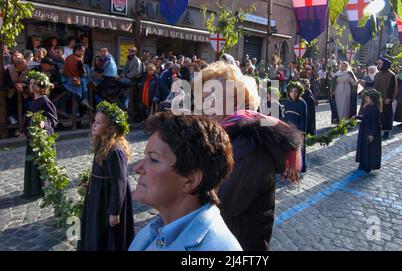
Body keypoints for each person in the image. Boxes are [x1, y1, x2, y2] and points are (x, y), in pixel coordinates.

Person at [195, 61, 302, 251]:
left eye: (212, 98)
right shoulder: (221, 136)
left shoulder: (248, 143)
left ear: (235, 100)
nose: (204, 107)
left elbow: (218, 207)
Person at [129, 113, 242, 251]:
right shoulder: (153, 230)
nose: (137, 168)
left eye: (154, 159)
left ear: (190, 180)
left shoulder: (217, 248)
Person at [79, 101, 134, 251]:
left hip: (107, 200)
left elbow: (119, 184)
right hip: (97, 196)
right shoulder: (101, 145)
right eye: (94, 121)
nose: (93, 125)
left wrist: (114, 212)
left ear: (110, 128)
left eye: (98, 122)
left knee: (108, 237)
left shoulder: (115, 151)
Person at [19, 71, 58, 199]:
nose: (30, 86)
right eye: (30, 83)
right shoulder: (32, 101)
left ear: (41, 87)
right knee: (33, 161)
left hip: (43, 138)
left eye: (33, 83)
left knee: (42, 161)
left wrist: (44, 123)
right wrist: (23, 131)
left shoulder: (45, 100)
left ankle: (45, 187)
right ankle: (33, 188)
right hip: (32, 137)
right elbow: (28, 119)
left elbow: (53, 119)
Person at [281, 80, 307, 173]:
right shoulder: (286, 102)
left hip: (298, 129)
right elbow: (283, 116)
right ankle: (288, 167)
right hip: (288, 129)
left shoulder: (302, 103)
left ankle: (300, 167)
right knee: (288, 149)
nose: (293, 94)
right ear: (289, 92)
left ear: (299, 92)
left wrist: (302, 132)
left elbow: (304, 118)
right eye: (292, 91)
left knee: (299, 149)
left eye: (296, 92)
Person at [354, 89, 382, 173]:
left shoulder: (375, 109)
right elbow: (365, 117)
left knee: (369, 149)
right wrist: (356, 117)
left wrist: (372, 134)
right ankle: (362, 163)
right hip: (364, 130)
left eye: (367, 98)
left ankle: (368, 165)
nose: (365, 99)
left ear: (372, 98)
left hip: (370, 131)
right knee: (363, 147)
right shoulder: (367, 107)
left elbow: (375, 123)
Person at [374, 58, 398, 139]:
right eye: (378, 64)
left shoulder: (391, 75)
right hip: (377, 98)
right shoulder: (377, 74)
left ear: (385, 64)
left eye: (380, 63)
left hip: (386, 98)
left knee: (386, 115)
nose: (378, 65)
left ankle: (386, 131)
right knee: (378, 114)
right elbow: (374, 84)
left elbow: (392, 87)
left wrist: (389, 98)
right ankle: (377, 128)